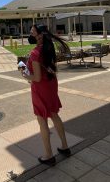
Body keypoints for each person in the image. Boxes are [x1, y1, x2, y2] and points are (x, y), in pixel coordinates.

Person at [21, 24, 71, 166]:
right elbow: (50, 69)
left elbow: (36, 78)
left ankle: (48, 155)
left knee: (42, 119)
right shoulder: (48, 48)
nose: (30, 33)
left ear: (40, 35)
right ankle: (65, 146)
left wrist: (25, 75)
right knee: (54, 114)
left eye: (32, 31)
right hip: (50, 85)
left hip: (40, 87)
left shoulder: (36, 52)